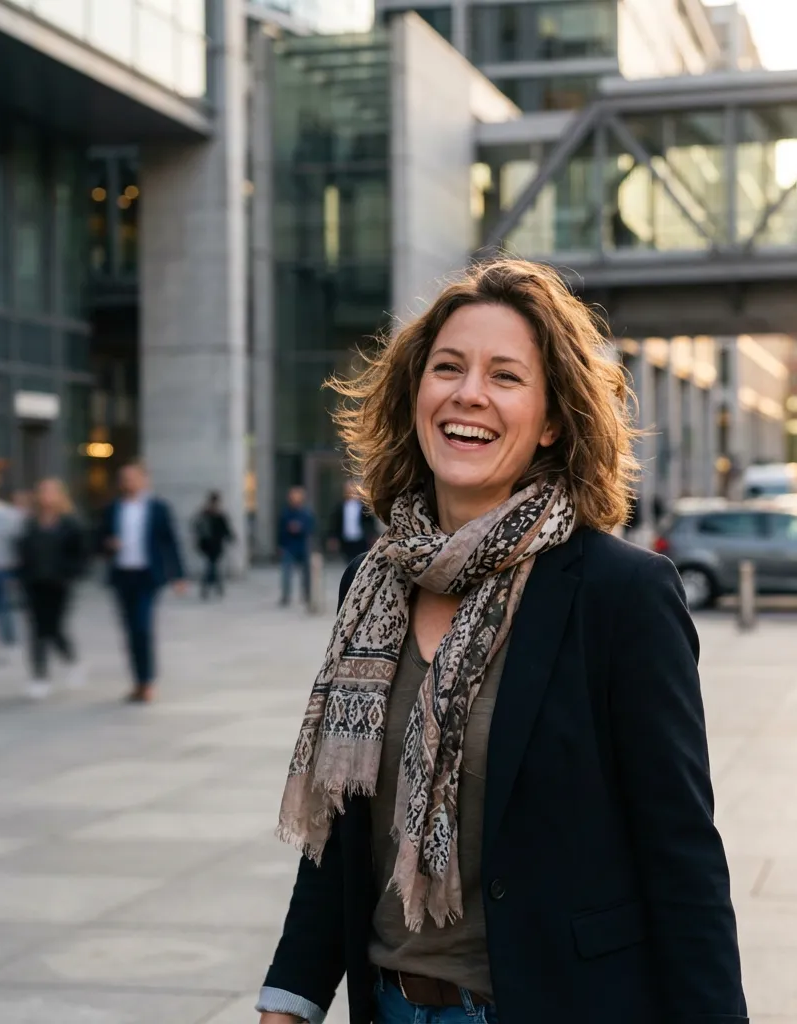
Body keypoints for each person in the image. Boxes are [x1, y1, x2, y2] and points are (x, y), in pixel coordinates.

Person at [257, 259, 746, 1024]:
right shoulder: (372, 586)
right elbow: (343, 831)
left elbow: (681, 854)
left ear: (551, 420)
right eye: (447, 367)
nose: (469, 393)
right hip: (389, 1009)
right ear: (416, 394)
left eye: (506, 376)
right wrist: (289, 999)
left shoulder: (620, 594)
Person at [99, 463, 186, 703]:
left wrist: (178, 575)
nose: (128, 483)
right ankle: (138, 681)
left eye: (133, 478)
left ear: (145, 480)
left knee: (142, 627)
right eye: (124, 479)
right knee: (129, 630)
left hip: (147, 576)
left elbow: (170, 542)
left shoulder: (158, 508)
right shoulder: (113, 508)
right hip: (122, 575)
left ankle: (147, 681)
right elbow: (99, 539)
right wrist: (108, 545)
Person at [17, 479, 88, 700]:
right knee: (37, 630)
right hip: (34, 583)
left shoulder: (70, 524)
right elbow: (22, 550)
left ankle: (72, 660)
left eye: (50, 492)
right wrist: (22, 575)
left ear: (60, 495)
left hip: (59, 584)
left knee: (54, 628)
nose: (46, 496)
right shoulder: (30, 523)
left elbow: (81, 553)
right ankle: (40, 678)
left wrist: (70, 573)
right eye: (43, 492)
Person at [192, 491, 235, 600]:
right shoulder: (206, 515)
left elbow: (226, 529)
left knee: (213, 566)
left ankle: (213, 588)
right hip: (208, 546)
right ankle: (213, 588)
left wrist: (231, 537)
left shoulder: (216, 515)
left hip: (215, 546)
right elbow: (196, 528)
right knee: (212, 566)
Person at [277, 486, 315, 607]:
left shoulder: (306, 513)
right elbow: (281, 530)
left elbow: (311, 527)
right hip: (289, 546)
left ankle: (307, 595)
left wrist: (300, 528)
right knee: (286, 573)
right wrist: (280, 546)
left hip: (303, 546)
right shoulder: (285, 513)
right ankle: (286, 596)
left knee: (306, 574)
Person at [0, 490, 24, 655]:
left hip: (4, 565)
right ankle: (9, 637)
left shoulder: (10, 514)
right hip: (5, 565)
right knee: (4, 603)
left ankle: (8, 637)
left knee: (4, 603)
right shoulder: (12, 514)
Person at [327, 480, 376, 564]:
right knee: (349, 563)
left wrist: (372, 535)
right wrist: (333, 538)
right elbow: (335, 523)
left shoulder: (363, 506)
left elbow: (370, 522)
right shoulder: (340, 507)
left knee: (360, 562)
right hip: (345, 540)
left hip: (361, 540)